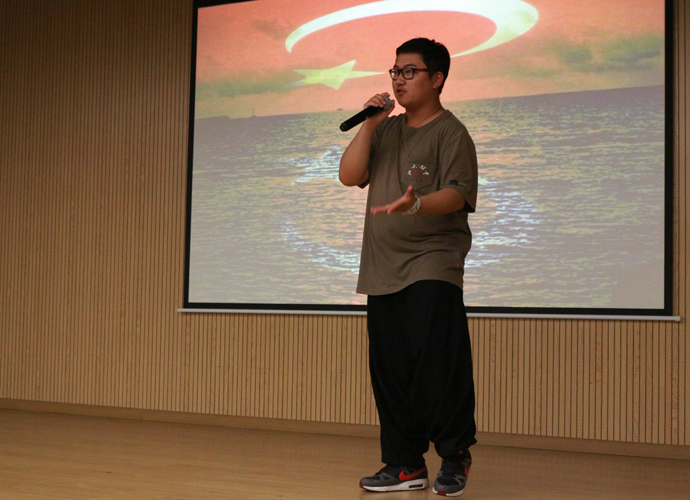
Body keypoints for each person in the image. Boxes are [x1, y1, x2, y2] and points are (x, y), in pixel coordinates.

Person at [339, 38, 478, 497]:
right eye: (395, 71)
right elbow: (349, 175)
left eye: (410, 71)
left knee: (437, 364)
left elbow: (457, 194)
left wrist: (416, 202)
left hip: (432, 262)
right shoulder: (386, 129)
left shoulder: (451, 132)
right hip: (382, 267)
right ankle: (405, 464)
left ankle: (455, 456)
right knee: (391, 370)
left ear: (437, 79)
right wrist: (370, 124)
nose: (399, 80)